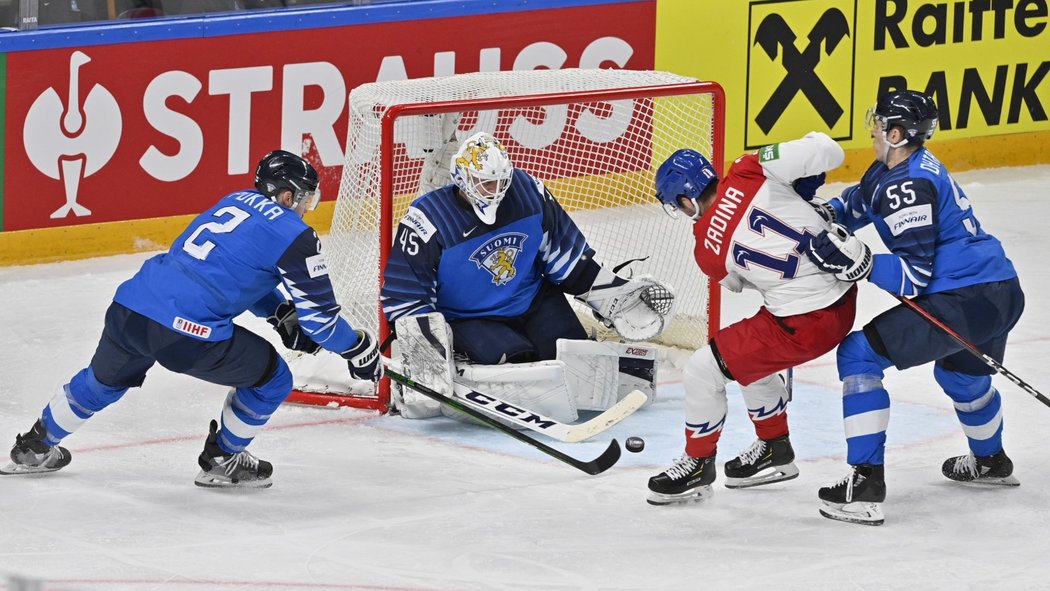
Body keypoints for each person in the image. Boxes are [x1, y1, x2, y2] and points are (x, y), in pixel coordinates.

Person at [0, 150, 382, 488]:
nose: (304, 209)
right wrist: (358, 348)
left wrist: (277, 310)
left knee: (101, 382)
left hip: (131, 309)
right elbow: (321, 323)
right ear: (287, 196)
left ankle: (35, 446)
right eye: (305, 200)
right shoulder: (296, 235)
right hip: (186, 336)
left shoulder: (233, 201)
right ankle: (223, 460)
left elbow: (223, 270)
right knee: (274, 378)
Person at [804, 89, 1025, 525]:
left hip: (962, 298)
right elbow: (857, 204)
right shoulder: (897, 166)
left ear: (898, 133)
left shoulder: (908, 185)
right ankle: (991, 462)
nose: (872, 127)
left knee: (858, 355)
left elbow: (913, 278)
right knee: (961, 376)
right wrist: (814, 214)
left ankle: (864, 485)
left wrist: (862, 263)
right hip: (1000, 289)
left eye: (879, 121)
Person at [381, 131, 672, 419]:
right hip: (468, 317)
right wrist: (426, 354)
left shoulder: (528, 192)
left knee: (575, 356)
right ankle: (462, 357)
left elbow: (565, 257)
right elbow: (405, 293)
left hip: (533, 301)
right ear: (462, 179)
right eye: (485, 183)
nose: (495, 189)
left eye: (500, 181)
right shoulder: (429, 218)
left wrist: (611, 294)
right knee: (518, 365)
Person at [646, 132, 857, 506]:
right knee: (742, 351)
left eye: (676, 205)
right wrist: (798, 186)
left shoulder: (705, 250)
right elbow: (829, 149)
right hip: (844, 296)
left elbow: (737, 283)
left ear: (685, 198)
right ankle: (774, 446)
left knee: (701, 369)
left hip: (805, 325)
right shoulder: (750, 168)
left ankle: (697, 463)